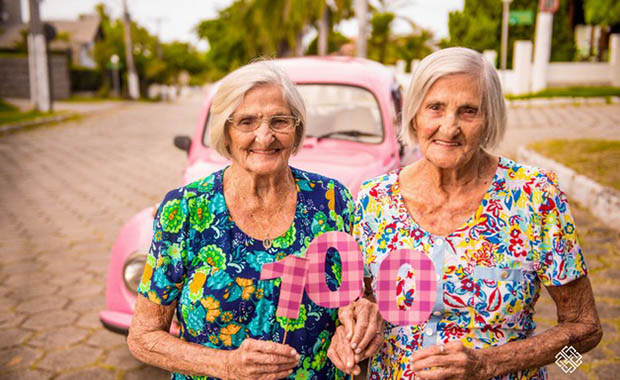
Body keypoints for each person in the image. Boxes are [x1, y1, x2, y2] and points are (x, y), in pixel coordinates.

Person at [328, 47, 602, 379]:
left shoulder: (535, 197)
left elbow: (587, 332)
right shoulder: (375, 199)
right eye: (435, 108)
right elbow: (364, 301)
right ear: (414, 114)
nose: (449, 127)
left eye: (468, 111)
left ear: (490, 120)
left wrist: (492, 363)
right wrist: (357, 327)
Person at [127, 60, 357, 380]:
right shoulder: (186, 210)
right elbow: (143, 337)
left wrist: (351, 330)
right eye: (247, 122)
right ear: (226, 131)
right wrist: (226, 366)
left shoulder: (332, 202)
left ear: (297, 129)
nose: (264, 136)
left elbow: (354, 301)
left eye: (279, 121)